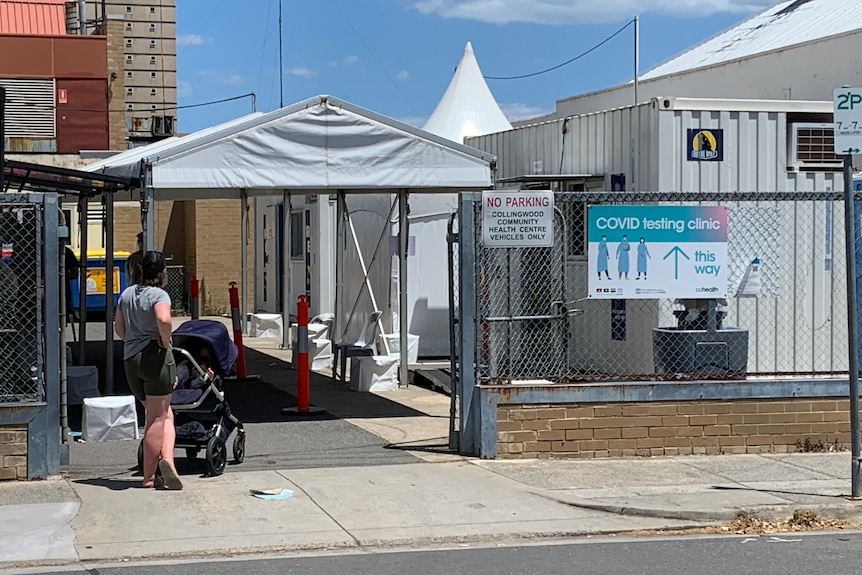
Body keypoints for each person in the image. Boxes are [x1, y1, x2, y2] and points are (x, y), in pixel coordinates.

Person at [114, 250, 183, 490]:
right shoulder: (159, 294)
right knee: (156, 419)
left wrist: (131, 341)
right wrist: (165, 340)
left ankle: (168, 463)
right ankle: (150, 477)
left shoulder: (126, 294)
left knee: (164, 415)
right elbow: (163, 319)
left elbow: (119, 328)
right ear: (163, 272)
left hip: (131, 360)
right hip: (155, 359)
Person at [64, 247, 79, 319]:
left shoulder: (66, 251)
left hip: (62, 290)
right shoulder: (38, 249)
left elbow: (75, 274)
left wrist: (59, 276)